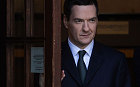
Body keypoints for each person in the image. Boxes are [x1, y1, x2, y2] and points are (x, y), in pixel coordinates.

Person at [61, 0, 131, 87]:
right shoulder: (51, 58)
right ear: (66, 21)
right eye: (79, 21)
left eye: (91, 20)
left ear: (97, 21)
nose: (86, 29)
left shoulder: (115, 60)